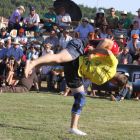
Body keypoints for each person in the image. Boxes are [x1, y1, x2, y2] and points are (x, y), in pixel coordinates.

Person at [24, 38, 127, 135]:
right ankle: (32, 62)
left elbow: (92, 67)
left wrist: (93, 52)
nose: (117, 55)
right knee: (58, 58)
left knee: (58, 61)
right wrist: (93, 51)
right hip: (80, 48)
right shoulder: (113, 57)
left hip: (76, 64)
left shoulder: (111, 64)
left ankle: (45, 66)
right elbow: (106, 49)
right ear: (115, 83)